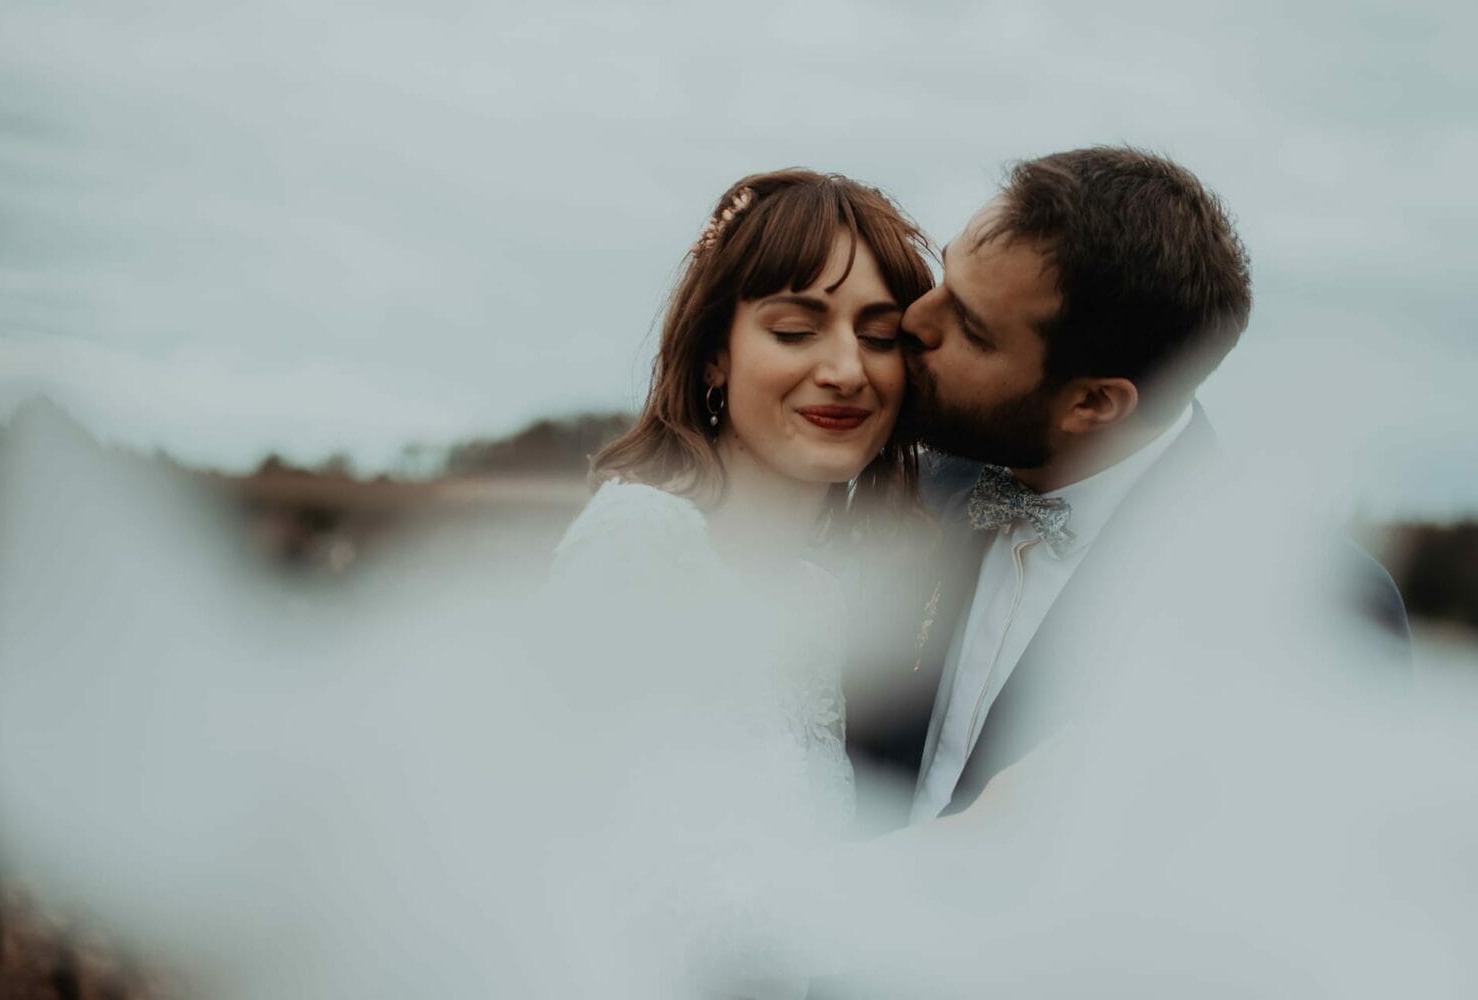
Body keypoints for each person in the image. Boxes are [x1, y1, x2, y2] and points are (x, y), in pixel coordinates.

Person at [840, 146, 1410, 833]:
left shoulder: (1310, 607)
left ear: (1095, 404)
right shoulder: (909, 492)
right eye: (947, 273)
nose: (915, 321)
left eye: (971, 328)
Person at [546, 168, 933, 995]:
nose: (845, 370)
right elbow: (577, 882)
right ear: (715, 355)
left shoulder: (824, 600)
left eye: (879, 335)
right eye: (795, 330)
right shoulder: (640, 547)